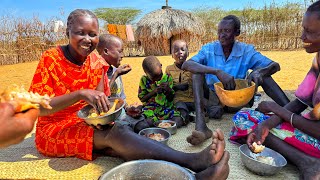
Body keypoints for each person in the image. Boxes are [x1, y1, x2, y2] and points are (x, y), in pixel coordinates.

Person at [29, 9, 230, 179]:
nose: (87, 40)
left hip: (85, 123)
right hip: (54, 129)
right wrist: (79, 94)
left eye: (93, 34)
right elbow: (36, 108)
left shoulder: (96, 62)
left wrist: (111, 109)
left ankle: (195, 176)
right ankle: (192, 161)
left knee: (122, 145)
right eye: (80, 33)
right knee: (118, 135)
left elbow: (98, 105)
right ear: (67, 32)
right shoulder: (51, 59)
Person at [230, 2, 320, 179]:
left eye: (309, 32)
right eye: (303, 29)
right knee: (245, 118)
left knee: (250, 124)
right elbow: (300, 102)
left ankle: (307, 162)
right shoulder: (318, 59)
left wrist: (275, 108)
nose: (302, 36)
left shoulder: (246, 51)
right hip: (310, 129)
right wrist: (266, 124)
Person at [182, 15, 290, 145]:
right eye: (220, 31)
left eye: (226, 31)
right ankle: (201, 127)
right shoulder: (209, 49)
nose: (222, 35)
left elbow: (275, 65)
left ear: (237, 32)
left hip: (238, 99)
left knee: (264, 75)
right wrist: (216, 71)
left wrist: (259, 72)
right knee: (196, 73)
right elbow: (187, 65)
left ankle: (290, 113)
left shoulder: (246, 51)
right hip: (213, 98)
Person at [96, 34, 148, 132]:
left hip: (121, 113)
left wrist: (128, 109)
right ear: (106, 51)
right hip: (106, 118)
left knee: (143, 125)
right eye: (119, 51)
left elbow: (121, 97)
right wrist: (116, 75)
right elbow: (100, 99)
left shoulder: (116, 70)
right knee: (125, 130)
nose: (122, 55)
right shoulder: (97, 72)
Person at [138, 56, 185, 127]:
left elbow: (170, 98)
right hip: (150, 110)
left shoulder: (168, 78)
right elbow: (142, 98)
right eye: (154, 78)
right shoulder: (144, 80)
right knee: (146, 123)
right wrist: (154, 91)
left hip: (166, 109)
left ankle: (161, 125)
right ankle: (157, 125)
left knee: (178, 120)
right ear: (146, 73)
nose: (157, 79)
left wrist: (168, 90)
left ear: (161, 66)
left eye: (160, 75)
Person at [165, 40, 194, 124]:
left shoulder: (193, 67)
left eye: (183, 49)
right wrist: (176, 87)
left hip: (193, 100)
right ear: (172, 55)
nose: (180, 52)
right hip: (178, 100)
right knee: (181, 110)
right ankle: (184, 117)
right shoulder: (169, 69)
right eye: (176, 50)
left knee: (213, 111)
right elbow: (167, 90)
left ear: (188, 53)